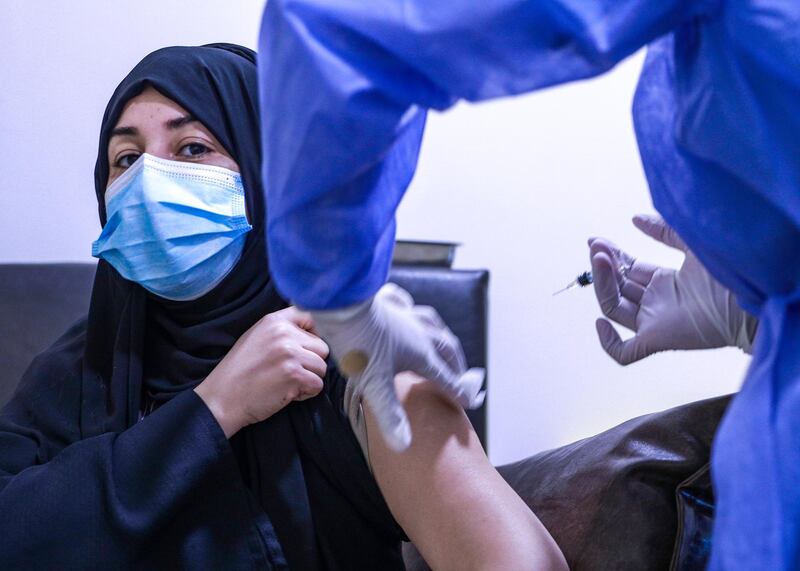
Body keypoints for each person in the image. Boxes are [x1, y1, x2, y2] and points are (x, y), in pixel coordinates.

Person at [257, 2, 799, 568]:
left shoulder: (363, 384)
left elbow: (337, 31)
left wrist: (339, 291)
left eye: (194, 148)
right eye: (148, 153)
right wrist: (755, 321)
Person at [0, 43, 567, 570]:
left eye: (193, 148)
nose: (148, 180)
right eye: (126, 159)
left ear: (269, 172)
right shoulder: (79, 368)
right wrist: (213, 408)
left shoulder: (352, 359)